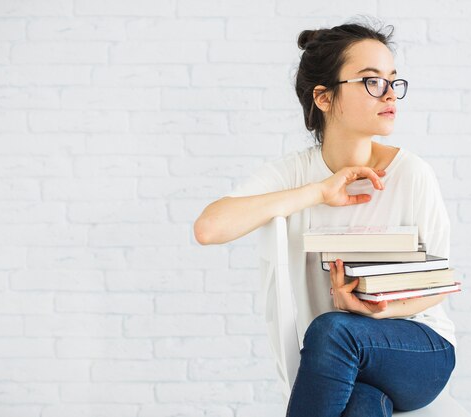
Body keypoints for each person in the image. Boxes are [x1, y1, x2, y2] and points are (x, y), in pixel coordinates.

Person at [194, 19, 456, 417]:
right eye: (371, 81)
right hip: (338, 361)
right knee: (362, 405)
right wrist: (318, 191)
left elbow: (442, 284)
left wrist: (377, 308)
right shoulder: (293, 174)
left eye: (393, 80)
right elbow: (209, 228)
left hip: (419, 349)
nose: (389, 94)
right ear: (323, 97)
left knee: (333, 329)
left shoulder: (412, 174)